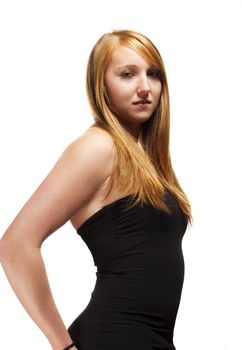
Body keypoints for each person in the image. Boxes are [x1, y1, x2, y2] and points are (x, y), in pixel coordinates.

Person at [0, 29, 192, 350]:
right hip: (112, 338)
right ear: (101, 85)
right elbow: (15, 245)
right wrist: (63, 346)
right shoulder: (98, 148)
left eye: (153, 74)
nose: (145, 87)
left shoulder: (143, 157)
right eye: (127, 74)